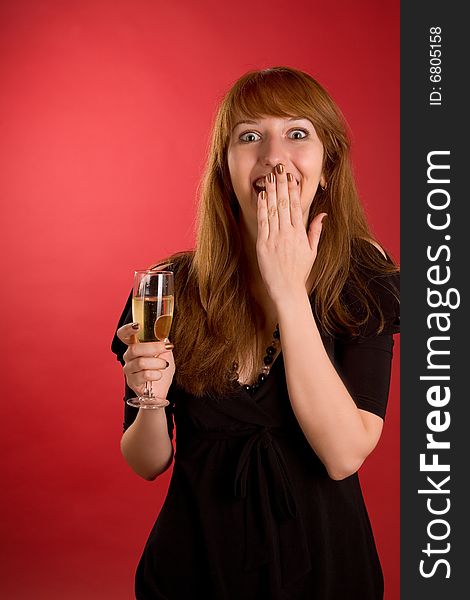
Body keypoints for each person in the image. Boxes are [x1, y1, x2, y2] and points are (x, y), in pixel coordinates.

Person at [111, 66, 400, 600]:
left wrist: (289, 288)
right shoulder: (167, 286)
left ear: (327, 165)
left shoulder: (364, 276)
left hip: (327, 573)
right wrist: (149, 396)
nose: (273, 156)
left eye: (297, 133)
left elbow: (343, 453)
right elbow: (146, 461)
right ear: (225, 171)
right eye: (250, 136)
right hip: (192, 569)